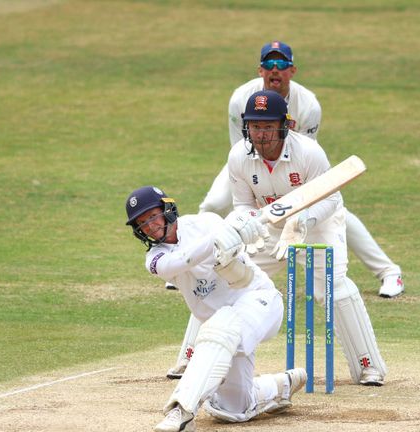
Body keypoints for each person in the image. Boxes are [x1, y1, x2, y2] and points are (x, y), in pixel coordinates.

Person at [166, 40, 402, 380]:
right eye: (254, 126)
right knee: (223, 277)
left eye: (267, 126)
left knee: (332, 288)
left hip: (317, 223)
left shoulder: (309, 153)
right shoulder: (238, 158)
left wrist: (302, 220)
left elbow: (331, 198)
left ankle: (368, 367)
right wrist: (246, 226)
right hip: (268, 227)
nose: (260, 134)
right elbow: (244, 204)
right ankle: (192, 357)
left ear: (285, 125)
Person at [197, 40, 404, 298]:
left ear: (292, 70)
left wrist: (297, 211)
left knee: (333, 212)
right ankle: (196, 265)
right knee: (215, 203)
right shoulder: (241, 98)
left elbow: (305, 161)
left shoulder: (307, 105)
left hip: (295, 166)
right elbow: (240, 147)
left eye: (281, 63)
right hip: (249, 160)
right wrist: (258, 202)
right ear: (260, 70)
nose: (275, 69)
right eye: (269, 64)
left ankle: (388, 271)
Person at [124, 185, 307, 432]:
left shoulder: (206, 223)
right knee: (233, 409)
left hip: (259, 302)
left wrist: (240, 228)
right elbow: (181, 261)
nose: (150, 226)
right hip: (224, 333)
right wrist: (218, 239)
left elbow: (235, 246)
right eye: (142, 223)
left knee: (222, 325)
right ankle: (280, 386)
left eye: (153, 216)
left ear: (167, 210)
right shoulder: (155, 260)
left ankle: (182, 411)